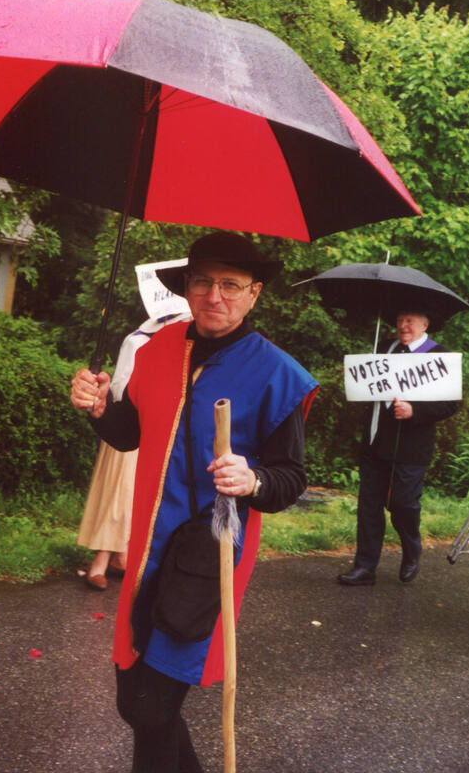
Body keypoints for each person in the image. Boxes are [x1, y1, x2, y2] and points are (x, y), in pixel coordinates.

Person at [70, 231, 318, 773]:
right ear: (186, 286)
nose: (214, 296)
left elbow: (290, 479)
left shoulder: (278, 375)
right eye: (203, 281)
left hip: (209, 556)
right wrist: (96, 408)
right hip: (146, 552)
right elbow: (128, 433)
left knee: (151, 707)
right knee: (134, 701)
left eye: (230, 285)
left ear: (254, 294)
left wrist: (252, 478)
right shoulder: (159, 350)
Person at [338, 309, 458, 587]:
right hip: (376, 442)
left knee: (403, 504)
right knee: (369, 506)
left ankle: (412, 548)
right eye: (400, 320)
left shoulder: (439, 355)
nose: (403, 326)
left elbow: (450, 404)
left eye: (410, 321)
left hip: (412, 448)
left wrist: (415, 410)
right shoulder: (385, 349)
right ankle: (365, 567)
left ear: (425, 324)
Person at [77, 314, 191, 591]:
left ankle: (122, 557)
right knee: (117, 494)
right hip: (129, 427)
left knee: (136, 498)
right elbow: (120, 389)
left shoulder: (187, 342)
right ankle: (102, 561)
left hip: (159, 433)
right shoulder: (137, 341)